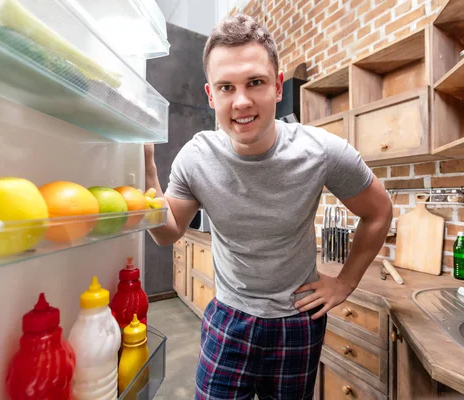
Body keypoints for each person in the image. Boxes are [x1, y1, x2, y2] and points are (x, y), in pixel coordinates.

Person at [145, 12, 392, 400]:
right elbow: (168, 233)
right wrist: (145, 189)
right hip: (228, 317)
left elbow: (378, 212)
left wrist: (345, 282)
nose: (241, 101)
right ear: (211, 95)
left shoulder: (322, 151)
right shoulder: (196, 157)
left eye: (255, 82)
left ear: (277, 87)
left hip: (297, 321)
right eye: (226, 87)